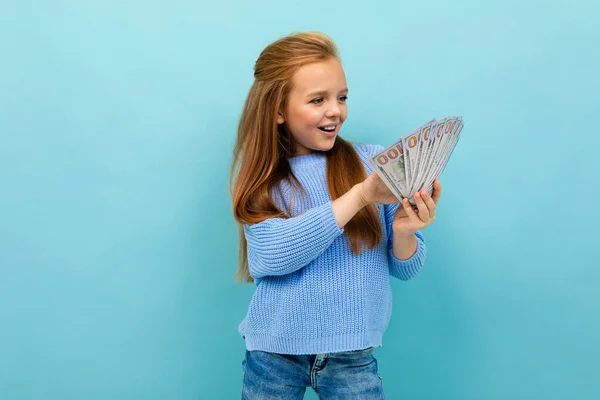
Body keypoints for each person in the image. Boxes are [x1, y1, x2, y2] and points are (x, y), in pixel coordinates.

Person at [230, 31, 442, 400]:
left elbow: (407, 268)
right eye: (318, 100)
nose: (336, 110)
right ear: (278, 110)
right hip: (274, 353)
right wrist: (360, 196)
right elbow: (272, 256)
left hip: (352, 353)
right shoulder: (266, 180)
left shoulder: (372, 164)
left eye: (341, 97)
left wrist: (405, 233)